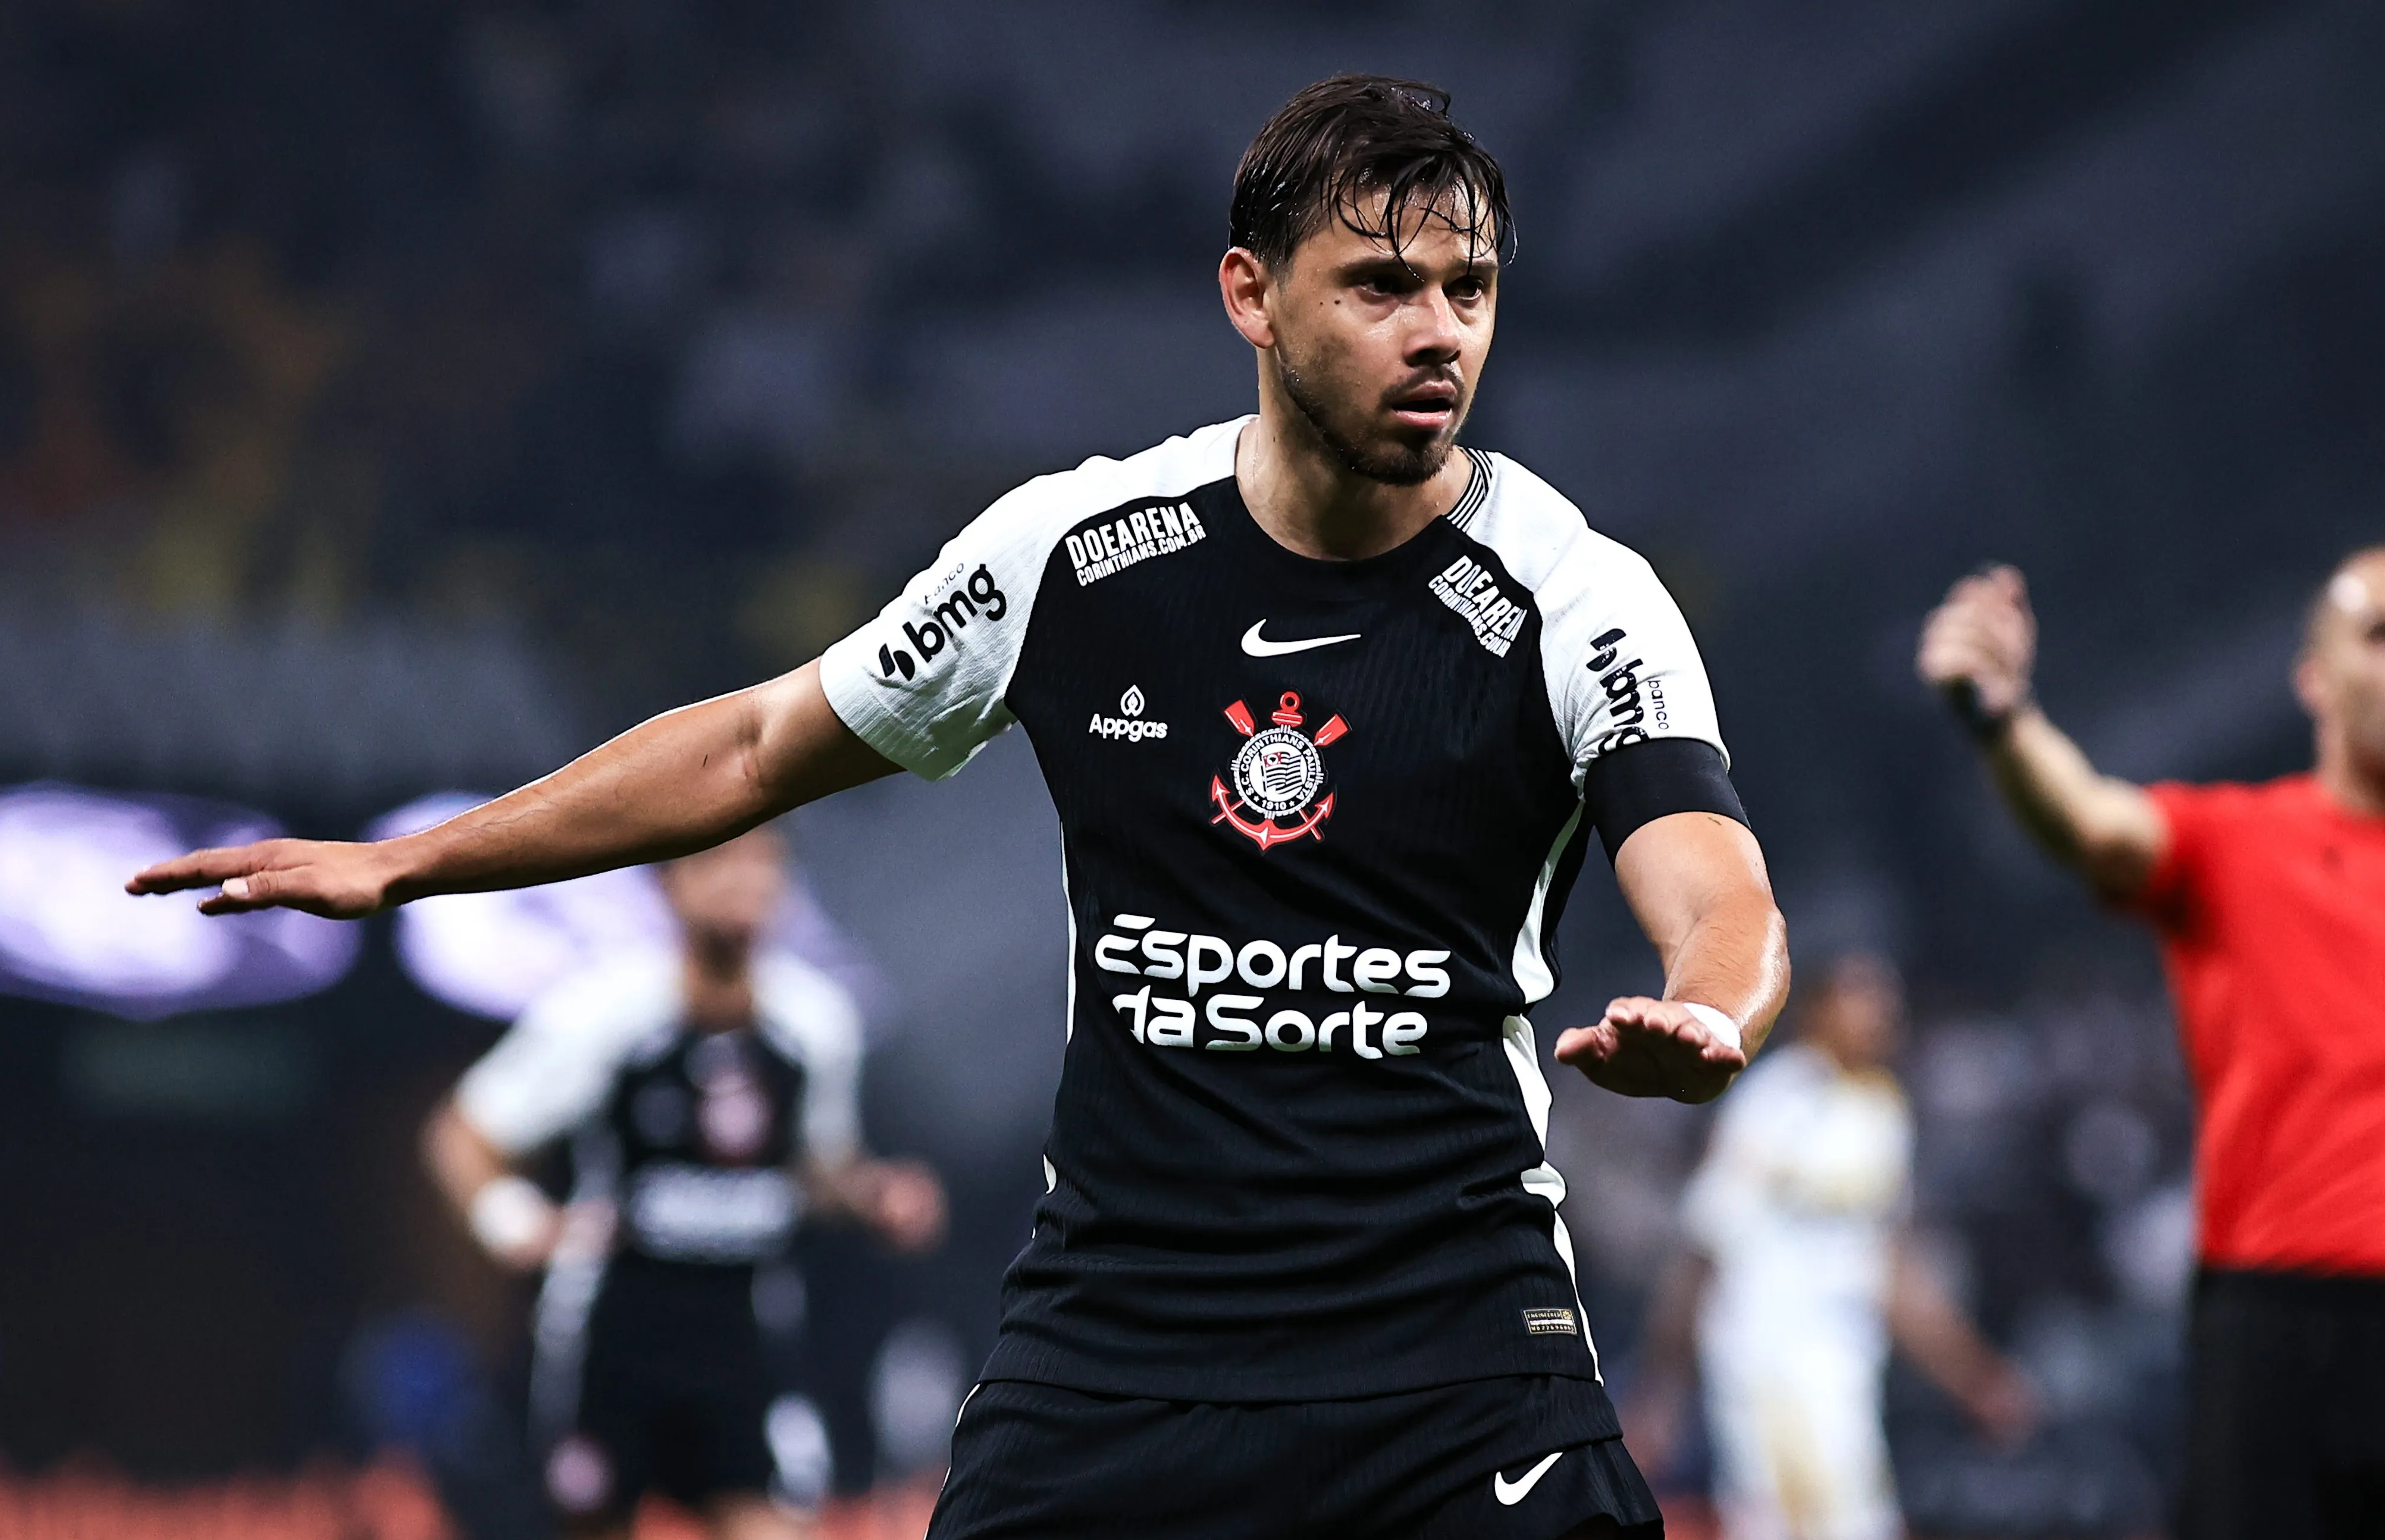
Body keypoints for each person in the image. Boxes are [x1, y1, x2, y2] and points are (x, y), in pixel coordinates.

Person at [130, 75, 1788, 1540]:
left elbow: (1713, 882)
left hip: (1452, 1358)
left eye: (1468, 287)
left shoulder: (1576, 595)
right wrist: (414, 861)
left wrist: (1708, 1007)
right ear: (1250, 297)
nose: (1439, 330)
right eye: (1380, 283)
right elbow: (759, 744)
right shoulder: (1076, 554)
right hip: (1122, 1356)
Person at [1916, 550, 2385, 1539]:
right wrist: (2002, 722)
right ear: (2312, 675)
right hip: (2274, 1341)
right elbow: (2088, 822)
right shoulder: (2232, 844)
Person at [421, 829, 946, 1540]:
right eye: (719, 864)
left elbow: (816, 1167)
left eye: (764, 865)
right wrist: (511, 1220)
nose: (745, 884)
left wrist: (872, 1197)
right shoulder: (605, 1014)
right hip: (613, 1335)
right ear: (669, 885)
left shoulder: (815, 1022)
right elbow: (463, 1133)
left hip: (745, 1341)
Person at [1628, 952, 2033, 1540]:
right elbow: (1704, 1247)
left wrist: (1972, 1374)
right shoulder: (1774, 1102)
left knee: (1857, 1522)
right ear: (1816, 1010)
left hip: (1844, 1360)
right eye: (1861, 998)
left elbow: (1888, 1265)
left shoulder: (1880, 1110)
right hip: (1766, 1356)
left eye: (1886, 1001)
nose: (1881, 1015)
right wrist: (1659, 1390)